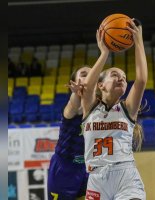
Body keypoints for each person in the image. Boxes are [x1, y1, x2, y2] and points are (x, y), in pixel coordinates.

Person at [80, 19, 147, 200]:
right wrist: (104, 53)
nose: (121, 79)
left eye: (124, 77)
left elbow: (141, 80)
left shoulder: (127, 109)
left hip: (125, 174)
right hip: (96, 179)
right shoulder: (90, 108)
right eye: (115, 75)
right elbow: (87, 87)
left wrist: (138, 40)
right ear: (100, 85)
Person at [47, 66, 91, 200]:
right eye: (84, 74)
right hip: (64, 168)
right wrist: (76, 93)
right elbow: (75, 105)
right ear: (73, 82)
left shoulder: (99, 108)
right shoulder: (73, 108)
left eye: (92, 74)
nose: (89, 77)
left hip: (86, 168)